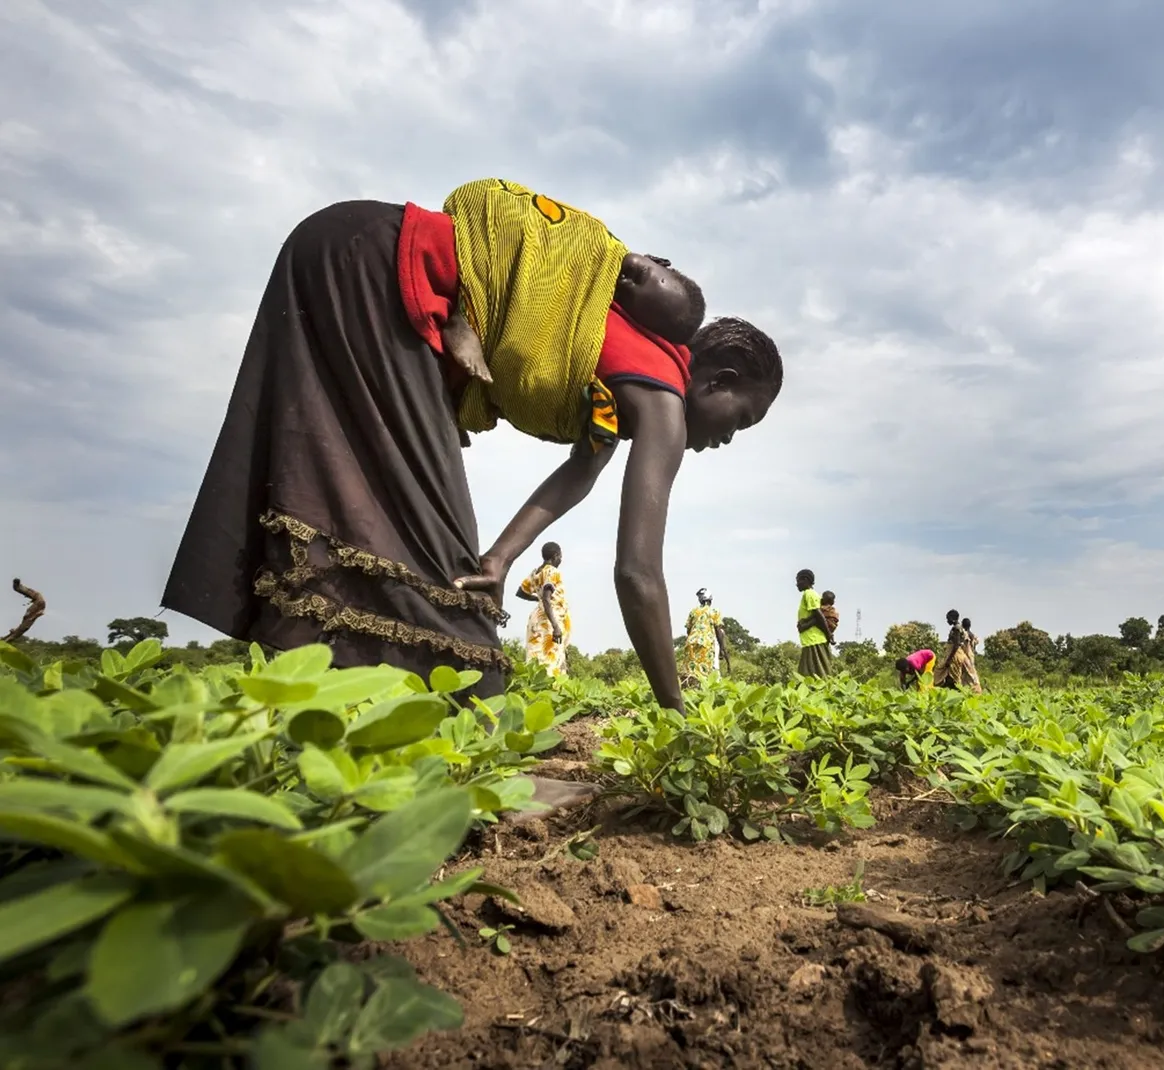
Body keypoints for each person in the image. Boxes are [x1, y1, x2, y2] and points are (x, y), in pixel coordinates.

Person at [162, 179, 781, 709]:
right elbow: (638, 573)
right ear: (717, 380)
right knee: (440, 575)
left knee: (355, 510)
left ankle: (323, 708)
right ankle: (462, 741)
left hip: (344, 249)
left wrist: (502, 559)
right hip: (381, 276)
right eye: (740, 419)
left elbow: (579, 474)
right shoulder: (664, 404)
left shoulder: (631, 375)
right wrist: (674, 707)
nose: (727, 438)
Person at [516, 542, 570, 677]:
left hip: (538, 619)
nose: (561, 560)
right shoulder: (552, 571)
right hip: (548, 622)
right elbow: (547, 598)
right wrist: (556, 626)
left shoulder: (535, 573)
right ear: (556, 555)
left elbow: (521, 592)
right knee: (550, 661)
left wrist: (537, 599)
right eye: (560, 557)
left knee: (537, 658)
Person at [681, 587, 730, 686]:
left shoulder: (693, 612)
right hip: (706, 644)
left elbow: (688, 630)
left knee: (691, 671)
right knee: (705, 672)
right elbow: (718, 632)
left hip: (690, 643)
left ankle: (689, 690)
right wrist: (722, 648)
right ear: (710, 599)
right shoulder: (714, 612)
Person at [795, 569, 835, 677]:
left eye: (798, 581)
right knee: (808, 676)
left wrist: (828, 634)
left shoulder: (809, 594)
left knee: (818, 676)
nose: (796, 584)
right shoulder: (811, 595)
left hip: (814, 640)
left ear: (805, 580)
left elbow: (819, 616)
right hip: (810, 640)